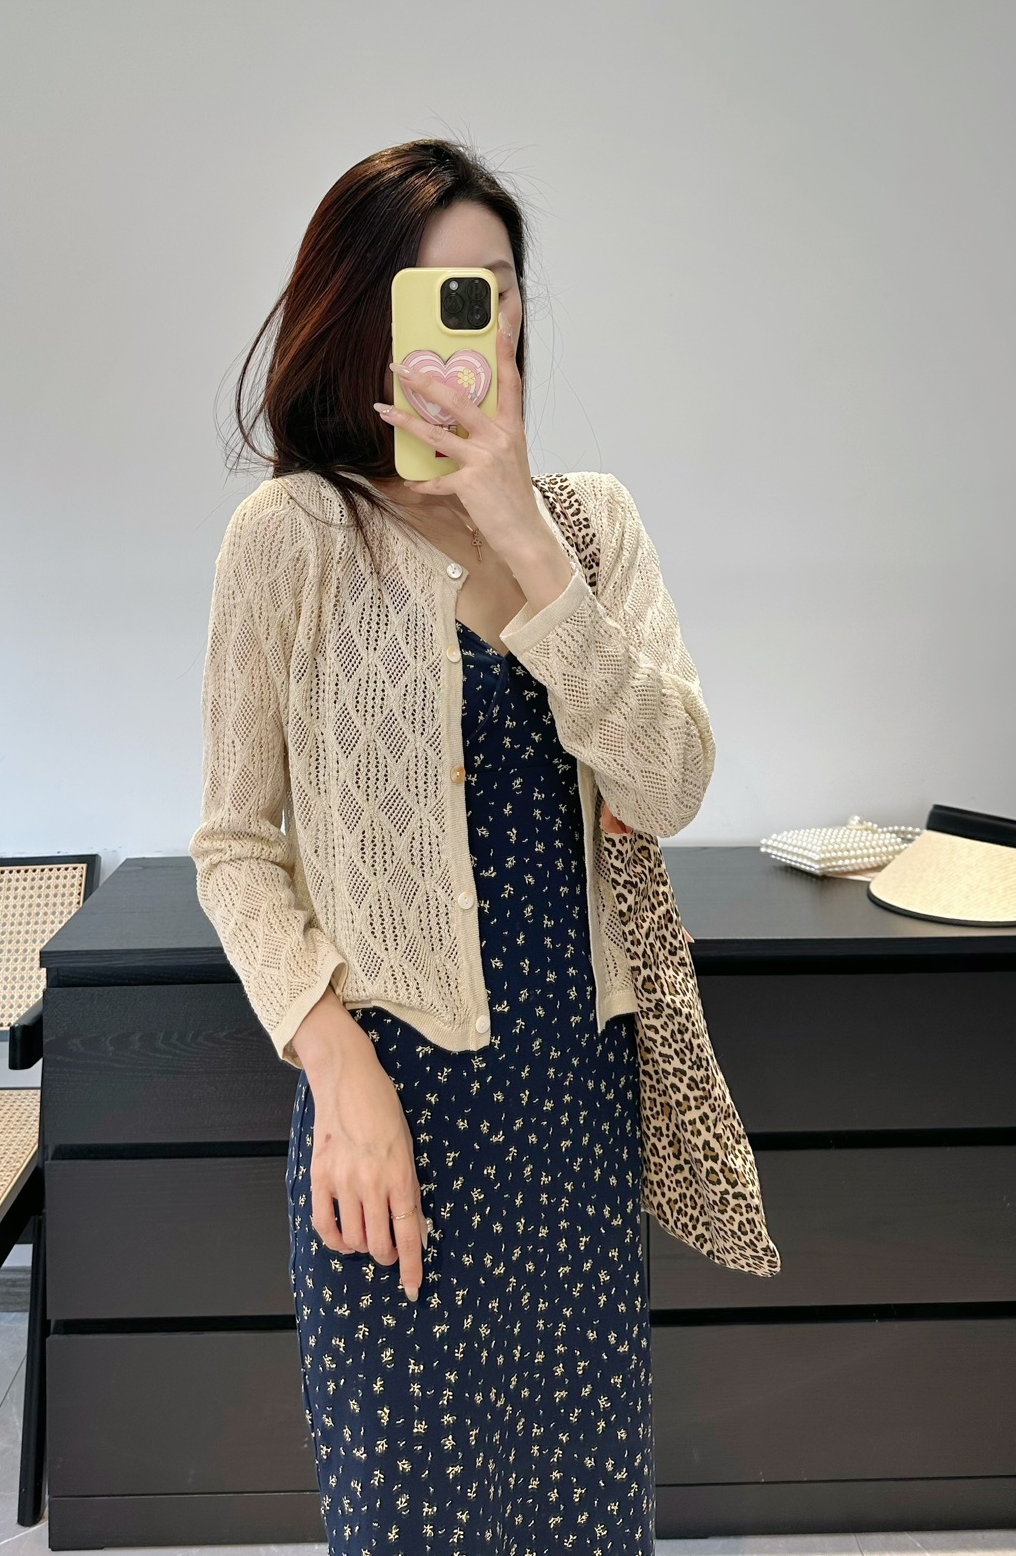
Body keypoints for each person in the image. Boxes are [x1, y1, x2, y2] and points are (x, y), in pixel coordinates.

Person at [190, 138, 715, 1554]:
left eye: (495, 286)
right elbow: (234, 847)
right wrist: (337, 1065)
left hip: (576, 1112)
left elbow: (669, 783)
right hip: (393, 1113)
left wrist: (526, 539)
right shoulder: (294, 535)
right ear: (362, 314)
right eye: (435, 291)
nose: (474, 321)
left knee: (584, 1512)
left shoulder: (592, 526)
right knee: (410, 1514)